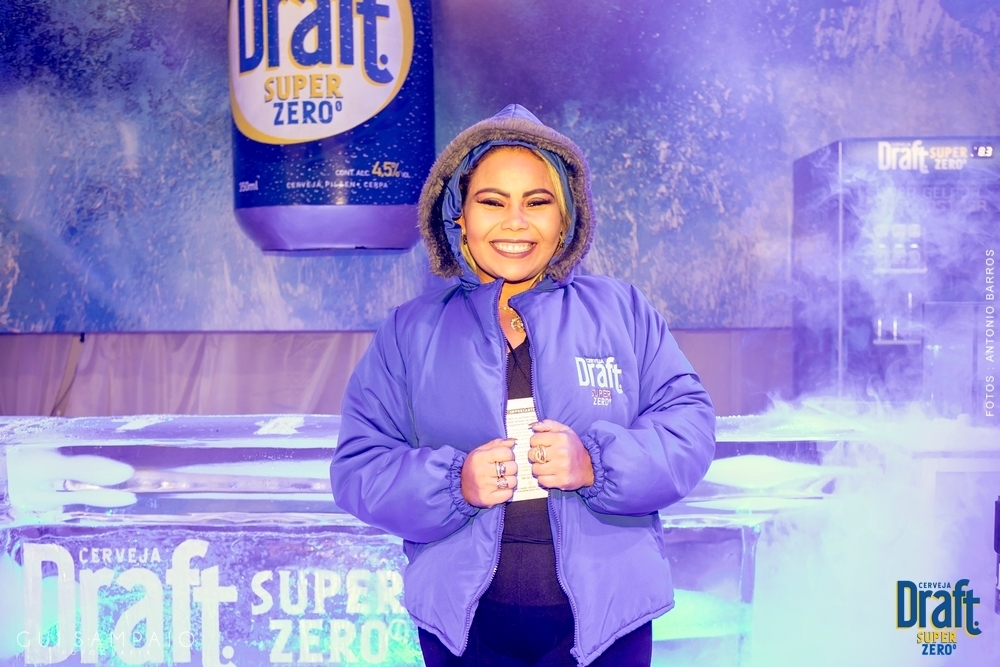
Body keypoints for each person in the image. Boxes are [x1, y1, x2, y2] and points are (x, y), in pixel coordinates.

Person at [330, 104, 715, 666]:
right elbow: (359, 467)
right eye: (492, 202)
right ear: (458, 215)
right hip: (463, 632)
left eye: (537, 202)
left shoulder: (623, 311)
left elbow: (689, 429)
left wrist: (596, 464)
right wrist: (454, 482)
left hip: (611, 622)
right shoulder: (409, 332)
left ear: (567, 218)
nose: (515, 222)